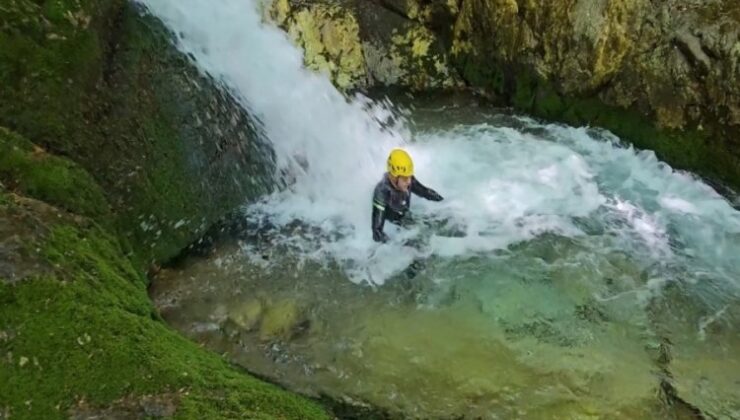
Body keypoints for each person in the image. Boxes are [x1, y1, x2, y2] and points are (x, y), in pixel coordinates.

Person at [371, 148, 443, 243]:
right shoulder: (382, 192)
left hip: (406, 217)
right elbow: (377, 232)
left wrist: (445, 203)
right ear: (394, 177)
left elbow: (425, 192)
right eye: (405, 178)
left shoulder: (406, 180)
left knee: (435, 226)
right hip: (394, 227)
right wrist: (397, 246)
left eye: (410, 176)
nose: (409, 181)